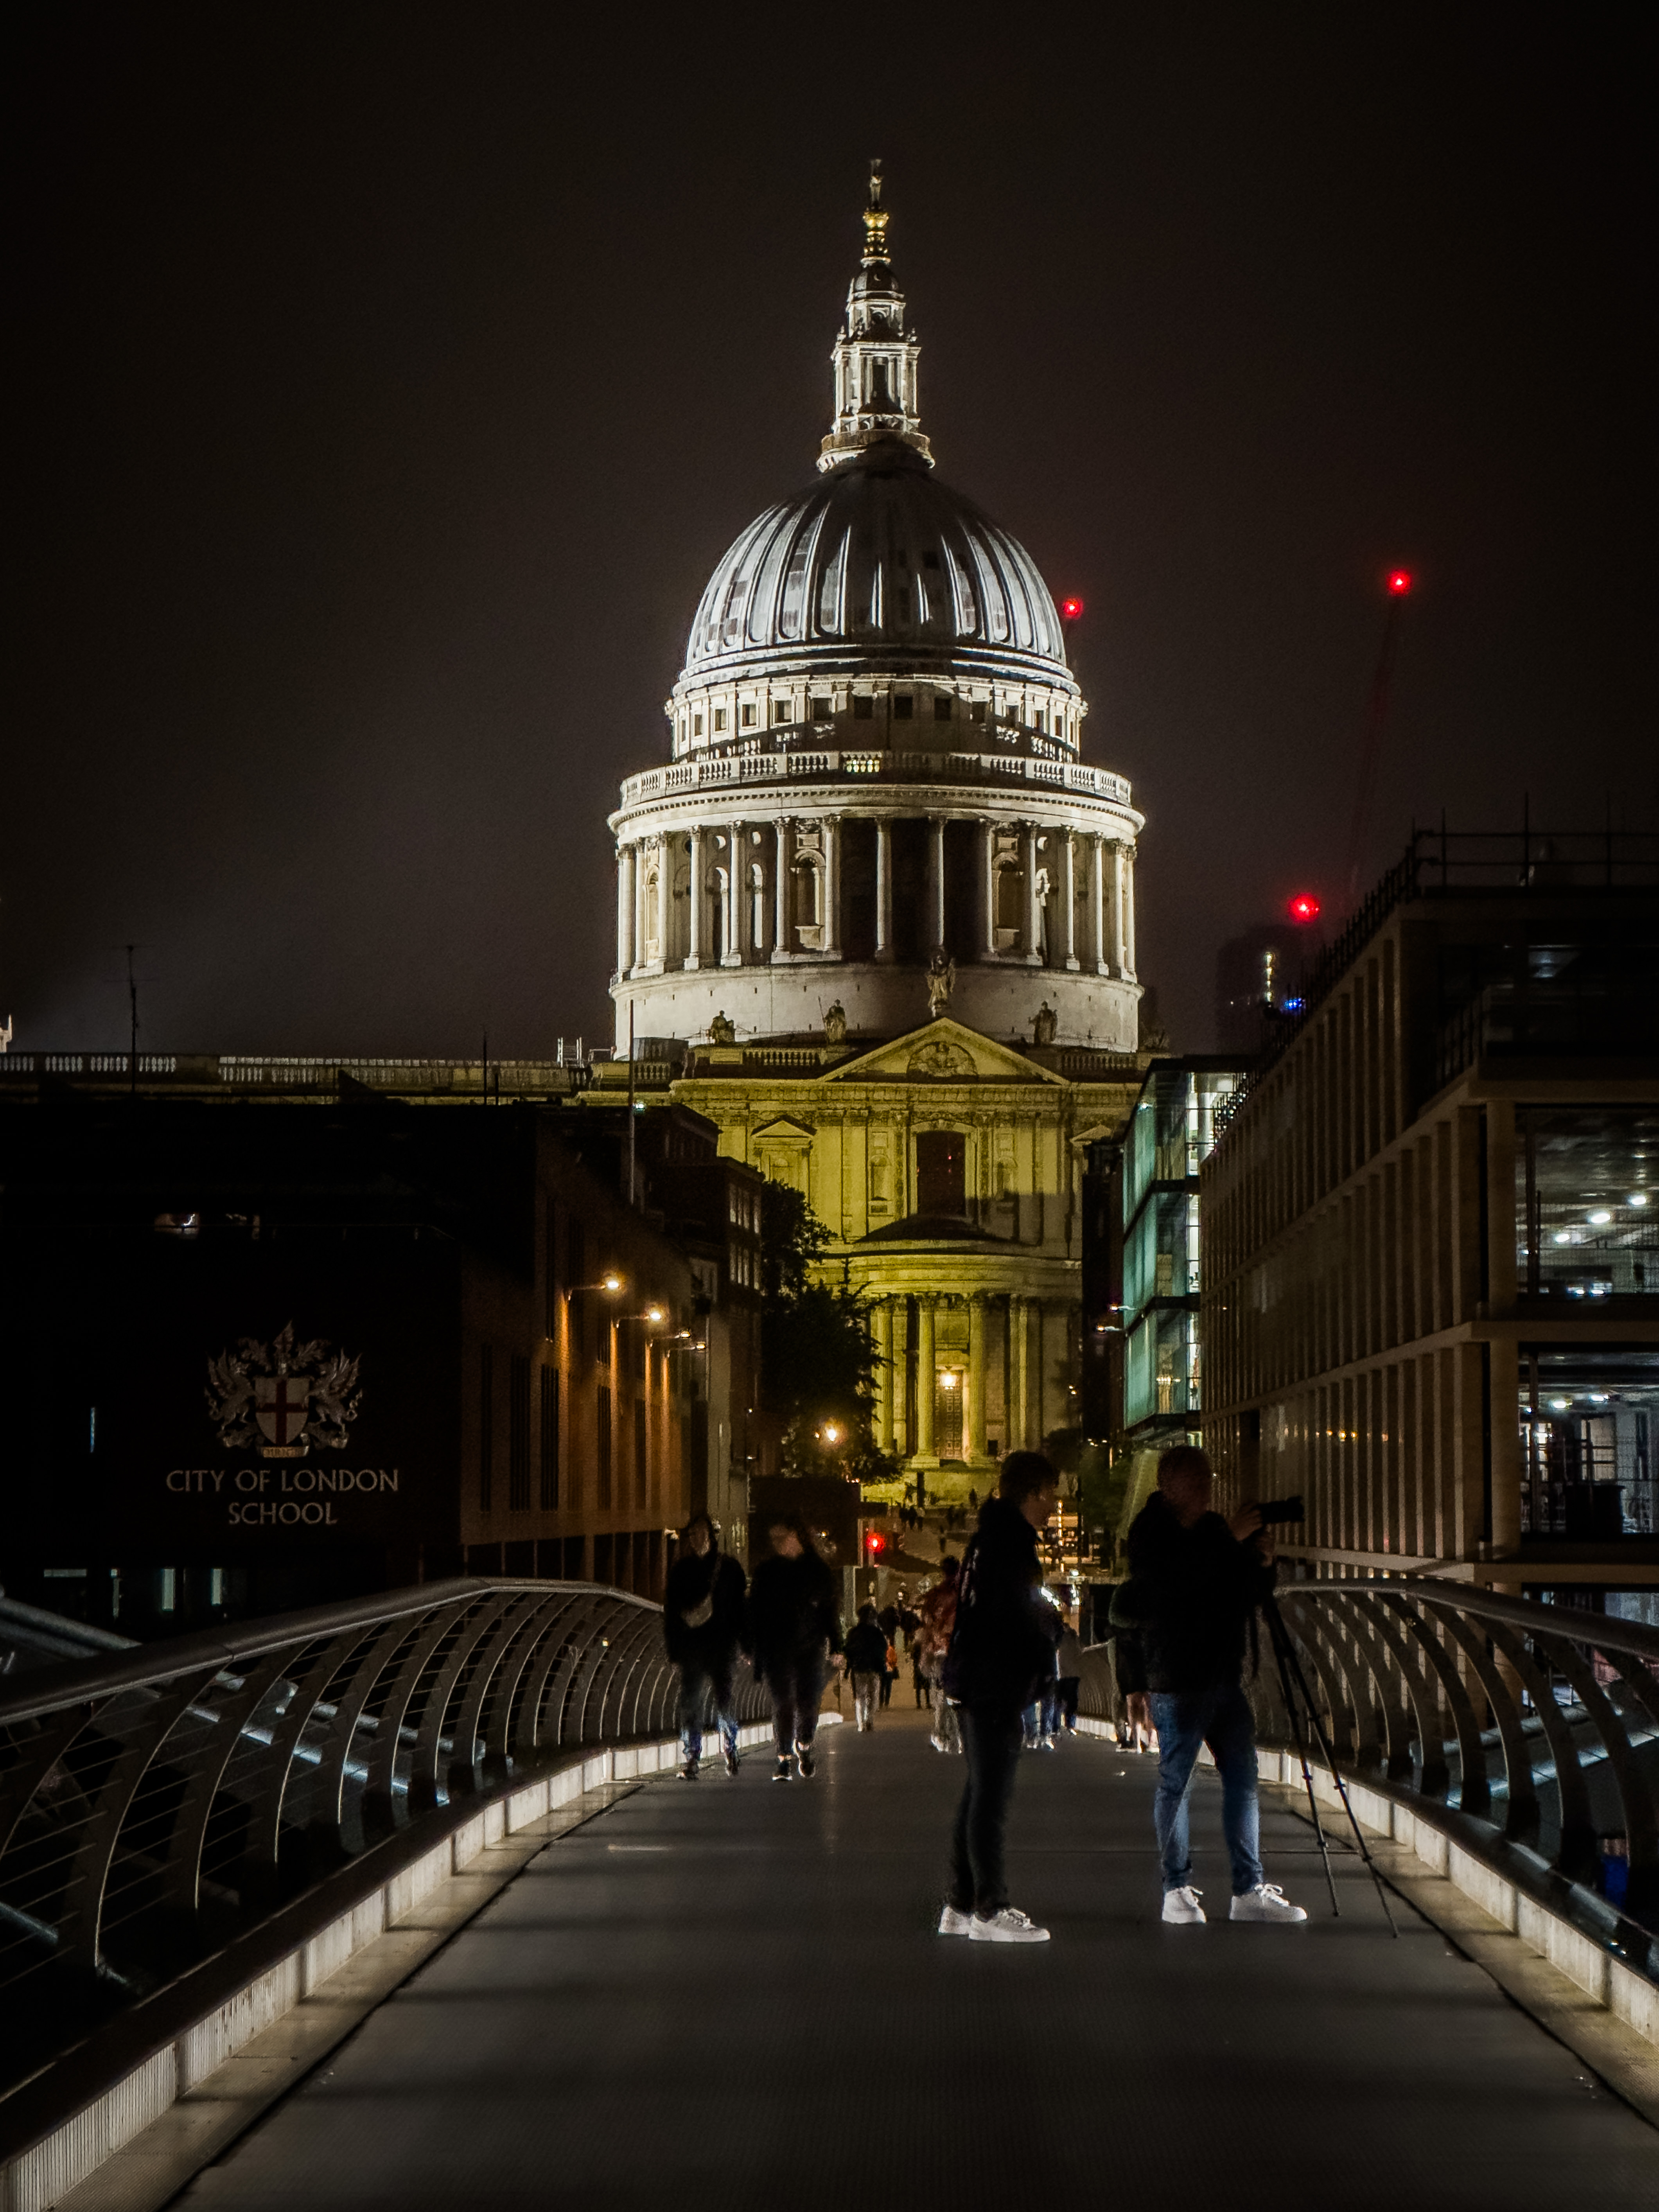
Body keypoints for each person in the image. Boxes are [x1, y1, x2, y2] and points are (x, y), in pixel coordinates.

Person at [1119, 1444, 1307, 1927]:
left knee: (1243, 1778)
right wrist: (1229, 1538)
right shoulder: (1150, 1533)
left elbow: (1242, 1593)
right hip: (1177, 1677)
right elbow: (1175, 1586)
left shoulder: (1213, 1530)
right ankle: (1175, 1889)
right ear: (1169, 1485)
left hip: (1224, 1673)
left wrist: (1262, 1563)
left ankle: (1248, 1889)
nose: (1207, 1488)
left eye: (1209, 1479)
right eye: (1197, 1480)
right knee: (1176, 1783)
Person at [937, 1453, 1063, 1943]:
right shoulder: (1010, 1544)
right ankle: (990, 1909)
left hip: (979, 1678)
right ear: (1034, 1492)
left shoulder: (987, 1539)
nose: (1054, 1505)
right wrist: (1048, 1633)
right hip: (995, 1681)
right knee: (990, 1797)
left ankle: (960, 1904)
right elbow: (1014, 1614)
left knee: (979, 1792)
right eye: (1051, 1494)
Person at [747, 1515, 844, 1780]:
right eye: (774, 1539)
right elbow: (753, 1611)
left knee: (808, 1700)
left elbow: (830, 1612)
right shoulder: (767, 1572)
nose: (778, 1543)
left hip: (809, 1647)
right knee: (783, 1702)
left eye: (783, 1537)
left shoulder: (818, 1571)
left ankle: (805, 1743)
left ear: (798, 1536)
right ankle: (783, 1759)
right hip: (775, 1648)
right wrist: (749, 1646)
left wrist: (837, 1645)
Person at [661, 1512, 748, 1779]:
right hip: (692, 1646)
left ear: (711, 1536)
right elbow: (671, 1613)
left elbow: (742, 1610)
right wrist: (674, 1651)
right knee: (691, 1702)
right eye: (692, 1535)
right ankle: (692, 1758)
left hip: (723, 1645)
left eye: (701, 1533)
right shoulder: (681, 1571)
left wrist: (746, 1645)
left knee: (725, 1700)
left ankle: (730, 1747)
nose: (697, 1539)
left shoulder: (730, 1569)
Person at [915, 1556, 961, 1753]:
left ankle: (941, 1734)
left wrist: (925, 1654)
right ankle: (957, 1736)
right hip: (959, 1652)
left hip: (939, 1652)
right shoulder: (965, 1594)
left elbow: (927, 1623)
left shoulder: (935, 1595)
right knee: (957, 1694)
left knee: (941, 1695)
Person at [844, 1602, 888, 1732]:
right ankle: (869, 1719)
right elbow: (883, 1649)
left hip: (859, 1668)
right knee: (873, 1695)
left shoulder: (854, 1633)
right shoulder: (877, 1633)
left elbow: (848, 1650)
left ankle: (862, 1723)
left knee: (860, 1696)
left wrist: (849, 1666)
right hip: (874, 1668)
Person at [1054, 1612, 1086, 1736]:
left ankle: (1055, 1727)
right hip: (1072, 1674)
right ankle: (1070, 1725)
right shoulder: (1073, 1636)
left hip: (1061, 1674)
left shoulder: (1057, 1637)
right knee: (1072, 1701)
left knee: (1058, 1701)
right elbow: (1080, 1651)